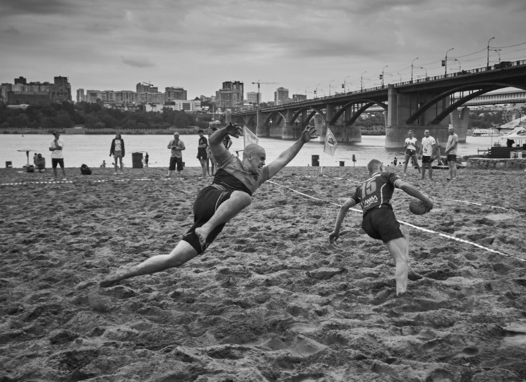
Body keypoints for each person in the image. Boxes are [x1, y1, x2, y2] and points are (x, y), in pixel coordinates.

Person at [100, 123, 318, 288]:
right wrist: (224, 130)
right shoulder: (230, 161)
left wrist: (302, 141)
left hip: (216, 219)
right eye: (260, 158)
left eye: (264, 159)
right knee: (245, 197)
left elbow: (283, 158)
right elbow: (213, 142)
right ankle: (205, 228)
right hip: (210, 198)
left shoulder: (259, 177)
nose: (263, 163)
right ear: (248, 157)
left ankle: (126, 273)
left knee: (176, 259)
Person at [329, 159, 433, 296]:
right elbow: (403, 185)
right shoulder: (386, 175)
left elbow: (344, 207)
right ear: (381, 167)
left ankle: (408, 270)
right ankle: (401, 294)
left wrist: (336, 231)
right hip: (382, 215)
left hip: (367, 224)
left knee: (404, 231)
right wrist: (425, 199)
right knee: (400, 258)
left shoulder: (361, 187)